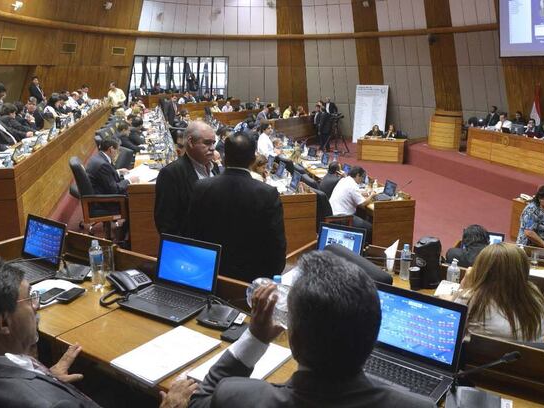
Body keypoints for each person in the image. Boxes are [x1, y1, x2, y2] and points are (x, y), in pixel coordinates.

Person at [0, 257, 198, 408]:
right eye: (30, 299)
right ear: (3, 323)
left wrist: (45, 376)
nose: (36, 306)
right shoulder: (51, 404)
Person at [189, 251, 434, 408]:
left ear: (293, 341)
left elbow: (199, 400)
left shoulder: (238, 398)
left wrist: (256, 337)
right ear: (373, 338)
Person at [186, 132, 286, 282]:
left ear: (224, 158)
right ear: (253, 159)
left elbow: (191, 233)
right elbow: (277, 245)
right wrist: (269, 279)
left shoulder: (201, 187)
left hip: (209, 273)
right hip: (252, 278)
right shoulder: (267, 193)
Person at [447, 244, 544, 342]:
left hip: (478, 353)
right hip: (527, 353)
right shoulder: (535, 297)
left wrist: (463, 288)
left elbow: (449, 327)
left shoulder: (473, 299)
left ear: (484, 271)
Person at [155, 121, 219, 235]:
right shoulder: (171, 174)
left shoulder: (215, 168)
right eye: (207, 143)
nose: (212, 148)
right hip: (191, 242)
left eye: (213, 143)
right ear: (191, 142)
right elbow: (166, 223)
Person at [329, 167, 374, 236]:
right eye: (362, 177)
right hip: (342, 217)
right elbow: (362, 204)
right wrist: (372, 195)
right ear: (358, 175)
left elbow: (350, 192)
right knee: (370, 228)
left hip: (332, 213)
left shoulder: (344, 180)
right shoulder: (352, 186)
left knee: (362, 215)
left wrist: (361, 192)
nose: (362, 180)